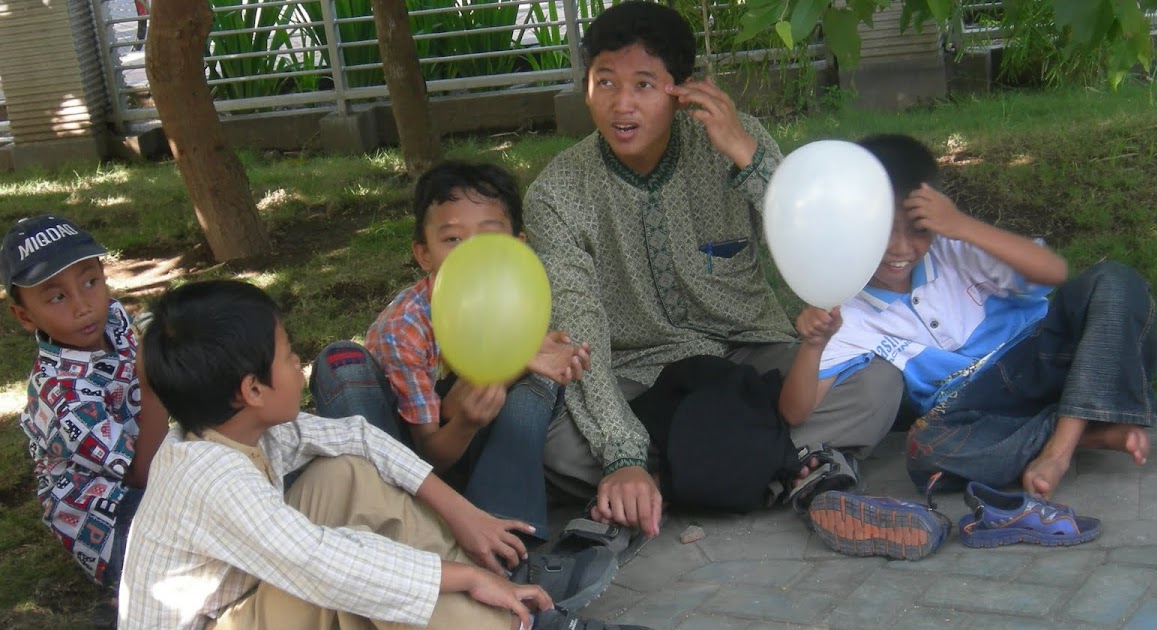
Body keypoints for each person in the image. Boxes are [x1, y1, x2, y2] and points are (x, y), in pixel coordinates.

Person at [523, 0, 903, 540]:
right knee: (553, 436)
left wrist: (747, 157)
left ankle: (658, 486)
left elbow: (815, 244)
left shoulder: (734, 140)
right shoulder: (558, 194)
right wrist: (622, 452)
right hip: (638, 375)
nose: (622, 104)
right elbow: (579, 326)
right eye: (604, 82)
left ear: (681, 90)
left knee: (877, 384)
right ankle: (781, 467)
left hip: (746, 356)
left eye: (644, 85)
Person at [119, 279, 647, 630]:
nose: (298, 359)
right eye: (286, 354)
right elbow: (321, 563)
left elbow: (358, 436)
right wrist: (460, 578)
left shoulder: (242, 428)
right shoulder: (211, 478)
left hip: (247, 594)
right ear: (251, 390)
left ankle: (502, 596)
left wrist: (462, 515)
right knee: (350, 579)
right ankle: (501, 618)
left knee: (345, 473)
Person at [811, 133, 1157, 501]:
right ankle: (1085, 429)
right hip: (975, 404)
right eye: (883, 231)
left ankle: (1058, 450)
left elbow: (1053, 272)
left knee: (1113, 281)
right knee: (927, 450)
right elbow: (803, 406)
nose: (900, 248)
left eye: (918, 228)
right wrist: (811, 343)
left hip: (1039, 356)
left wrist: (961, 225)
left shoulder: (956, 249)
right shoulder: (846, 311)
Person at [310, 161, 591, 546]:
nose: (472, 254)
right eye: (453, 240)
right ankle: (391, 541)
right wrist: (467, 422)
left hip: (473, 451)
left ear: (519, 245)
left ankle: (508, 534)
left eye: (489, 237)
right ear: (424, 255)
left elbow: (504, 382)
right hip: (407, 457)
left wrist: (529, 362)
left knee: (536, 387)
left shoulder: (521, 295)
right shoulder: (405, 328)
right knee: (340, 360)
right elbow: (428, 456)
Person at [0, 215, 168, 591]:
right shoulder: (62, 396)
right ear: (25, 316)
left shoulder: (113, 317)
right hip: (110, 521)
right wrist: (154, 384)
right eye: (57, 297)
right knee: (205, 525)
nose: (83, 306)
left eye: (90, 282)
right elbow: (142, 476)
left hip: (158, 462)